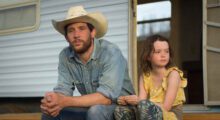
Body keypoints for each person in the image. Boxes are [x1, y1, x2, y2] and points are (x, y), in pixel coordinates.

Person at [40, 6, 135, 120]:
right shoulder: (65, 56)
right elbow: (63, 90)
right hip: (92, 107)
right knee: (50, 113)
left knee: (95, 111)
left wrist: (65, 101)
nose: (76, 35)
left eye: (81, 28)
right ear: (66, 37)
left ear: (92, 32)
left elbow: (106, 98)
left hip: (123, 108)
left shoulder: (110, 52)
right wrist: (53, 101)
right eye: (71, 30)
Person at [115, 35, 187, 120]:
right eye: (158, 52)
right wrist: (126, 100)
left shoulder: (173, 74)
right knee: (120, 110)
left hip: (170, 115)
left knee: (144, 106)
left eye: (166, 51)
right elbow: (141, 102)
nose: (163, 55)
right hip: (150, 112)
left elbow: (166, 107)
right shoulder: (145, 76)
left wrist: (140, 101)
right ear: (148, 56)